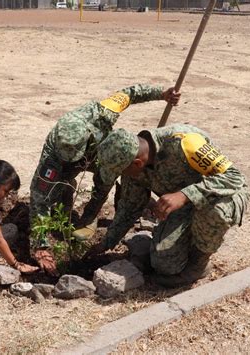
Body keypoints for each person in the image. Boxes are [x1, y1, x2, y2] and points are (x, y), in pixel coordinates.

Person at [29, 83, 180, 274]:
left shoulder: (103, 113)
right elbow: (37, 200)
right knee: (52, 191)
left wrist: (162, 94)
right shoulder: (53, 155)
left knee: (108, 178)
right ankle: (64, 201)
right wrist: (40, 245)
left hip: (98, 154)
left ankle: (92, 215)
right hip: (61, 164)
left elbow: (130, 93)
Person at [89, 124, 250, 287]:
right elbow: (130, 207)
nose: (122, 176)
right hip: (183, 207)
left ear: (137, 163)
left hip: (218, 196)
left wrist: (185, 194)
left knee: (217, 211)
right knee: (164, 265)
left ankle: (198, 266)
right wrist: (107, 242)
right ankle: (192, 238)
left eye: (121, 172)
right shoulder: (133, 168)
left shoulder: (185, 142)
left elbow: (234, 177)